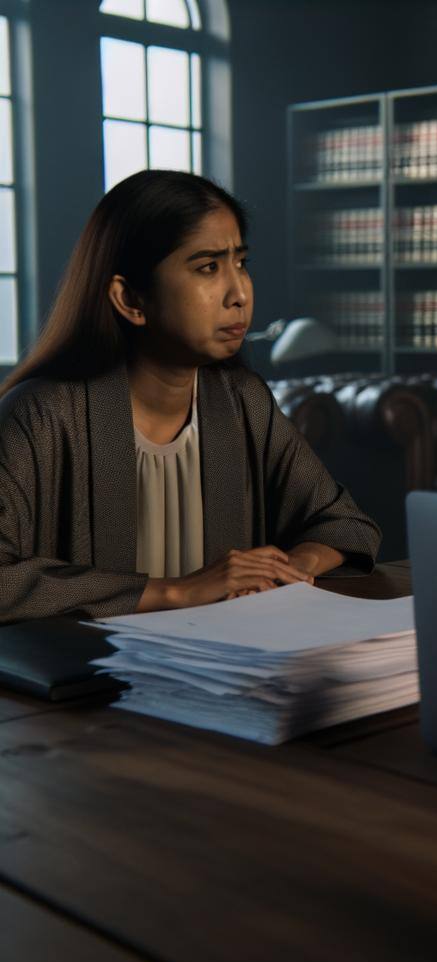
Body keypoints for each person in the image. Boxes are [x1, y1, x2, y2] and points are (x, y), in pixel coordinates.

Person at [0, 170, 381, 624]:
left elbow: (344, 522)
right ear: (130, 299)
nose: (239, 293)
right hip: (88, 681)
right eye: (208, 267)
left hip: (222, 666)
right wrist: (178, 592)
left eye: (240, 262)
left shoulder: (240, 401)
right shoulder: (42, 414)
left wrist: (289, 570)